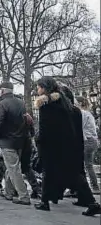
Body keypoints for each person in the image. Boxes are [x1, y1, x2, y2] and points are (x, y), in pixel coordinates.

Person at [34, 78, 100, 216]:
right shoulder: (72, 108)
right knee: (75, 175)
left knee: (48, 172)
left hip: (51, 147)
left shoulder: (46, 106)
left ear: (45, 89)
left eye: (39, 87)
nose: (37, 90)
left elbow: (44, 130)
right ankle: (92, 202)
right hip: (70, 147)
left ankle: (44, 202)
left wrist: (38, 141)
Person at [0, 81, 30, 205]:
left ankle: (23, 196)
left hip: (6, 140)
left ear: (2, 91)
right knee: (11, 167)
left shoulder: (1, 105)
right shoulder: (21, 103)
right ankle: (8, 192)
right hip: (20, 140)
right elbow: (26, 120)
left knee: (13, 169)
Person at [76, 96, 100, 193]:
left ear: (81, 103)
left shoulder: (83, 113)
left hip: (87, 141)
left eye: (76, 102)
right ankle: (94, 187)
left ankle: (94, 187)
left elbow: (80, 128)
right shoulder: (88, 114)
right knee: (88, 164)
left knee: (87, 165)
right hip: (92, 140)